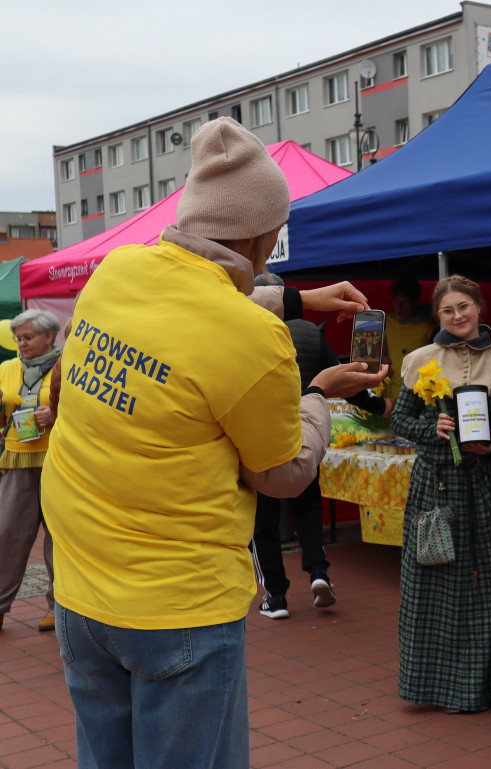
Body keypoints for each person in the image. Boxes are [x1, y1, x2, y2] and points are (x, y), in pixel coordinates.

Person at [41, 117, 387, 769]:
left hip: (81, 591)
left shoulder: (118, 272)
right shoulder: (255, 342)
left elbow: (195, 301)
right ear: (263, 235)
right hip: (177, 605)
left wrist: (298, 298)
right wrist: (317, 395)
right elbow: (282, 472)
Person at [390, 275, 491, 713]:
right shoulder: (422, 359)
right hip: (435, 486)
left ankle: (484, 687)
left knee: (486, 586)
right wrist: (433, 428)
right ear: (437, 315)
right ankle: (435, 687)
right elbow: (400, 423)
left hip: (484, 486)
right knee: (434, 585)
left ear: (480, 308)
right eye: (448, 310)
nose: (458, 316)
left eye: (464, 306)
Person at [252, 279, 394, 619]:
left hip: (261, 434)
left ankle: (276, 597)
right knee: (309, 505)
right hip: (303, 426)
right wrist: (379, 406)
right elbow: (347, 381)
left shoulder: (247, 331)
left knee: (264, 520)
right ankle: (318, 572)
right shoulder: (309, 331)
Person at [0, 309, 62, 633]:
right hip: (18, 461)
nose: (21, 344)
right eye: (18, 338)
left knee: (59, 538)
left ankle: (58, 607)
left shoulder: (66, 367)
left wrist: (56, 416)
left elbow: (84, 414)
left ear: (49, 337)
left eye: (28, 337)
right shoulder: (7, 369)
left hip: (57, 462)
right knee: (6, 534)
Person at [383, 278, 436, 402]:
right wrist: (381, 356)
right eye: (396, 301)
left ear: (415, 304)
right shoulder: (386, 320)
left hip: (415, 397)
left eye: (404, 302)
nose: (399, 306)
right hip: (388, 394)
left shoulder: (429, 327)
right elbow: (370, 348)